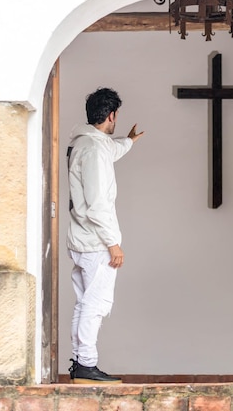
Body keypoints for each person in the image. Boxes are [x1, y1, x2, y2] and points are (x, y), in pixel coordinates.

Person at [66, 87, 144, 384]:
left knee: (85, 302)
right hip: (96, 241)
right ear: (111, 115)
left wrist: (129, 141)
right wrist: (114, 244)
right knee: (95, 305)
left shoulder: (86, 142)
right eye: (116, 117)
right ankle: (86, 364)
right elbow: (97, 203)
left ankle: (80, 363)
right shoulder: (96, 149)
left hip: (81, 239)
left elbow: (112, 150)